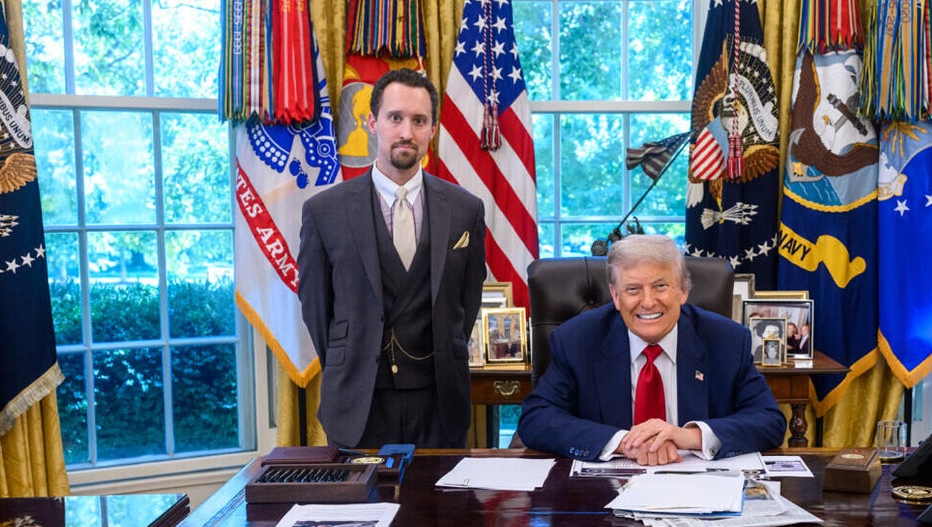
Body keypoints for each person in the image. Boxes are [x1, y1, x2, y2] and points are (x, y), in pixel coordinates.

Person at [298, 68, 487, 449]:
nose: (406, 132)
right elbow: (316, 309)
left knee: (440, 492)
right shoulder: (323, 211)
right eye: (395, 118)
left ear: (433, 129)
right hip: (357, 403)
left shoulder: (466, 209)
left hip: (439, 403)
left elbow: (467, 303)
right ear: (372, 122)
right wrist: (351, 358)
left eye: (419, 121)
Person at [517, 234, 786, 465]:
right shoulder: (577, 340)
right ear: (616, 296)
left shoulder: (727, 340)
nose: (648, 302)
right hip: (605, 493)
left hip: (697, 489)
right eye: (633, 289)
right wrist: (624, 443)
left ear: (683, 291)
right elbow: (537, 419)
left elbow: (768, 420)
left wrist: (689, 436)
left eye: (660, 286)